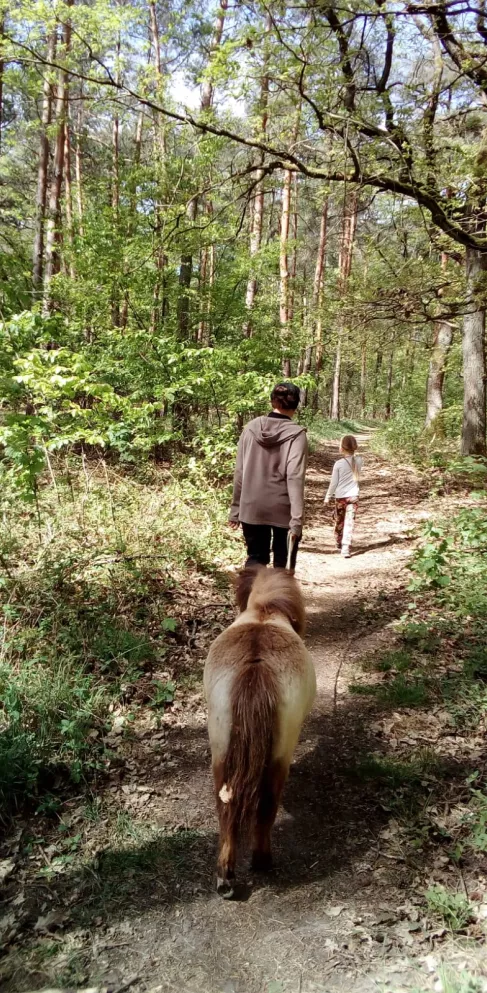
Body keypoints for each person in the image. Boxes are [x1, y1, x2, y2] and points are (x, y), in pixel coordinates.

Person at [229, 382, 308, 571]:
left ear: (272, 401)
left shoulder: (250, 428)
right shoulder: (297, 435)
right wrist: (297, 519)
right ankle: (279, 600)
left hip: (251, 506)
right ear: (296, 405)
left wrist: (235, 509)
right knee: (283, 566)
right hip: (283, 510)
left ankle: (250, 600)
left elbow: (239, 471)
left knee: (255, 560)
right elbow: (295, 477)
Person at [324, 435, 362, 558]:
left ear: (341, 448)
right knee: (350, 522)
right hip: (354, 496)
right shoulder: (359, 461)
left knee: (339, 521)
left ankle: (339, 541)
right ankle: (346, 546)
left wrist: (328, 496)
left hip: (341, 497)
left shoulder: (338, 464)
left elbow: (334, 483)